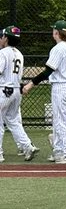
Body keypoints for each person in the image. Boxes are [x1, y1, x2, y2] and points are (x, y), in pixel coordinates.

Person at [22, 19, 66, 164]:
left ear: (56, 33)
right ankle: (59, 151)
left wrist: (31, 84)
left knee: (60, 122)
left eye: (54, 30)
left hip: (61, 86)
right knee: (59, 121)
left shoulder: (58, 48)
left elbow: (48, 71)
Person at [0, 26, 37, 161]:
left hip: (4, 89)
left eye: (3, 36)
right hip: (16, 90)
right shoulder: (19, 54)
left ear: (6, 38)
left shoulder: (3, 53)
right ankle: (27, 146)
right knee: (13, 121)